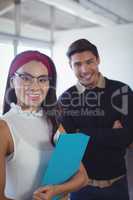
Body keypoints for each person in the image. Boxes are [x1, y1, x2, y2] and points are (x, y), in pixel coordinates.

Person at [0, 50, 88, 200]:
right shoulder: (4, 128)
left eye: (42, 80)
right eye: (26, 78)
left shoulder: (53, 122)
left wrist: (56, 190)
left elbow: (82, 176)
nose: (35, 87)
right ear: (12, 81)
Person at [58, 39, 133, 200]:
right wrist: (112, 134)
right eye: (77, 64)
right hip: (81, 188)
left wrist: (82, 133)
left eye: (89, 62)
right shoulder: (66, 98)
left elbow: (127, 138)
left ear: (98, 60)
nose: (84, 70)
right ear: (70, 66)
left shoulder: (122, 91)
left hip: (118, 185)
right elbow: (68, 148)